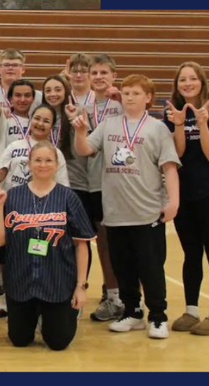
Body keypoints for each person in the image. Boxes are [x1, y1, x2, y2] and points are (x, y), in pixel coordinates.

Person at [73, 74, 180, 340]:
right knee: (123, 268)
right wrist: (80, 132)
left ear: (148, 98)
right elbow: (84, 149)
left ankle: (158, 316)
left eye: (136, 93)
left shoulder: (157, 128)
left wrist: (174, 201)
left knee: (151, 268)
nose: (130, 98)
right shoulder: (109, 124)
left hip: (147, 212)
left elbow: (169, 167)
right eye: (127, 93)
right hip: (115, 212)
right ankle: (132, 312)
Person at [0, 142, 94, 349]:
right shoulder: (13, 196)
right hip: (21, 282)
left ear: (57, 164)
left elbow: (82, 245)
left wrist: (80, 287)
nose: (43, 165)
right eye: (37, 160)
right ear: (29, 164)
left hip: (57, 282)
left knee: (58, 342)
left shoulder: (69, 197)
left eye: (48, 160)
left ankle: (49, 316)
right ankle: (34, 315)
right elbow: (0, 240)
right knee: (19, 340)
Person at [165, 62, 209, 336]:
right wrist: (179, 124)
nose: (187, 83)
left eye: (192, 78)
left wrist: (203, 123)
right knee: (191, 254)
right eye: (182, 79)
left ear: (202, 81)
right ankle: (191, 310)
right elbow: (179, 152)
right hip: (185, 194)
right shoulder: (172, 112)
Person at [75, 52, 124, 323]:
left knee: (125, 243)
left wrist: (123, 100)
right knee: (103, 242)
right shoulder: (84, 106)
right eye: (94, 73)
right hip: (95, 182)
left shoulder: (123, 101)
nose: (98, 77)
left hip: (123, 182)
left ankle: (132, 297)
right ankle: (113, 296)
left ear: (114, 75)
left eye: (104, 72)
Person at [0, 102, 70, 192]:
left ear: (52, 126)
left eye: (46, 121)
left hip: (43, 199)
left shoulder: (56, 153)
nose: (40, 124)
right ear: (30, 120)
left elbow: (63, 187)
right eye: (37, 118)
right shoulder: (13, 146)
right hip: (13, 198)